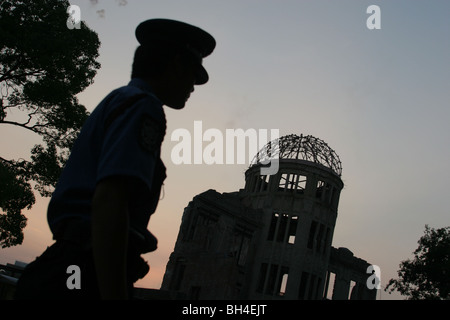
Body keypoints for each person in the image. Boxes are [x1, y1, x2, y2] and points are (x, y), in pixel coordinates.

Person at [15, 19, 216, 300]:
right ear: (174, 65)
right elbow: (110, 199)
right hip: (85, 265)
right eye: (192, 74)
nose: (193, 87)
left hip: (73, 261)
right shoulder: (143, 106)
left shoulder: (120, 99)